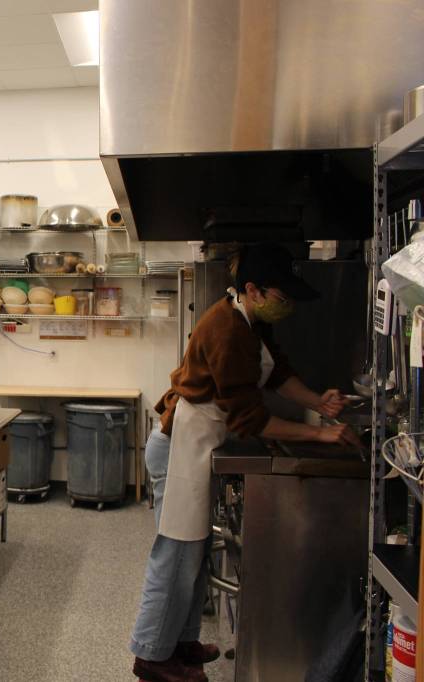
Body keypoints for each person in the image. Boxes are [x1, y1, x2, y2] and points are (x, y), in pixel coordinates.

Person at [130, 243, 361, 682]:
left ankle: (179, 643)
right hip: (179, 445)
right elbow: (250, 418)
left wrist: (320, 404)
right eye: (282, 296)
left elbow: (274, 373)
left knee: (192, 555)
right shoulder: (227, 330)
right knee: (175, 553)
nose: (287, 304)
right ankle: (151, 656)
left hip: (197, 443)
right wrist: (319, 432)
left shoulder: (247, 319)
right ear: (252, 290)